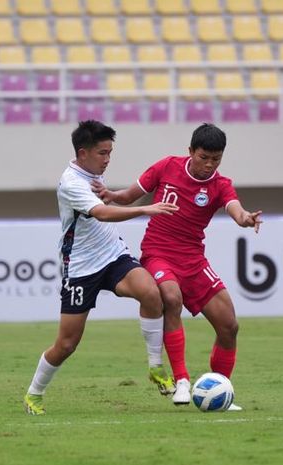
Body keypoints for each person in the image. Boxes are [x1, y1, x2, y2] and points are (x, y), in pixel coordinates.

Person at [93, 123, 262, 411]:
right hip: (158, 252)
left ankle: (219, 389)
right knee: (171, 297)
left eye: (216, 159)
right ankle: (181, 380)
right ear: (190, 152)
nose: (209, 165)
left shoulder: (220, 185)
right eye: (203, 158)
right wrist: (111, 195)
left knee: (229, 326)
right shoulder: (167, 166)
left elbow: (235, 208)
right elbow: (131, 195)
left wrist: (245, 218)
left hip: (194, 260)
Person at [23, 120, 179, 415]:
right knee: (67, 344)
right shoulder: (71, 183)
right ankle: (34, 393)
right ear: (83, 153)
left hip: (112, 254)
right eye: (102, 153)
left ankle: (156, 367)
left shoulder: (93, 175)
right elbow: (102, 214)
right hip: (81, 267)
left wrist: (114, 193)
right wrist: (145, 208)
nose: (107, 160)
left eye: (110, 153)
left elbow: (105, 205)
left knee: (151, 293)